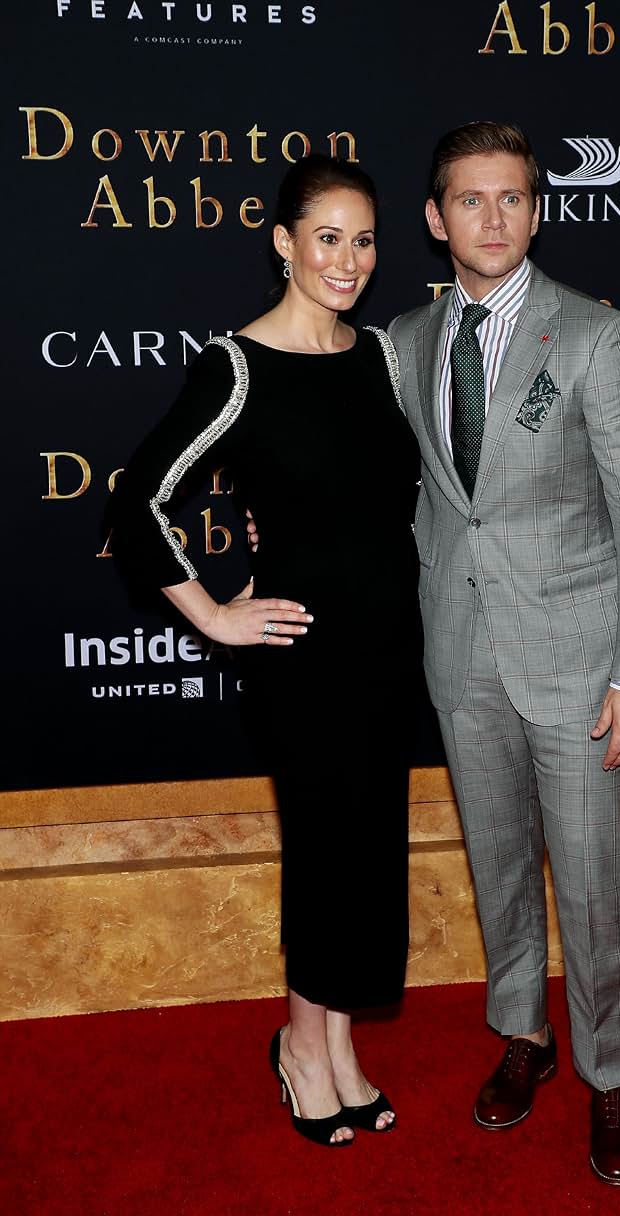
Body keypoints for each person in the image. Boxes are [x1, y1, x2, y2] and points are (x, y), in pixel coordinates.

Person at [387, 121, 620, 1184]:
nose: (493, 218)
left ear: (538, 208)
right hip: (461, 652)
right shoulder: (405, 344)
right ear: (435, 219)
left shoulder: (595, 338)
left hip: (579, 660)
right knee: (499, 863)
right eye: (470, 200)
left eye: (512, 198)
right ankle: (526, 1034)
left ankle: (610, 1077)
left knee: (594, 880)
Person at [112, 154, 420, 1147]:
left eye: (364, 238)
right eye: (326, 236)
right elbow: (139, 498)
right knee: (327, 852)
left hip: (386, 650)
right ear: (284, 244)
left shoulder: (378, 354)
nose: (348, 258)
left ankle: (335, 1044)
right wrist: (211, 615)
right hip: (301, 660)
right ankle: (300, 1046)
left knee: (367, 853)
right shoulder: (236, 366)